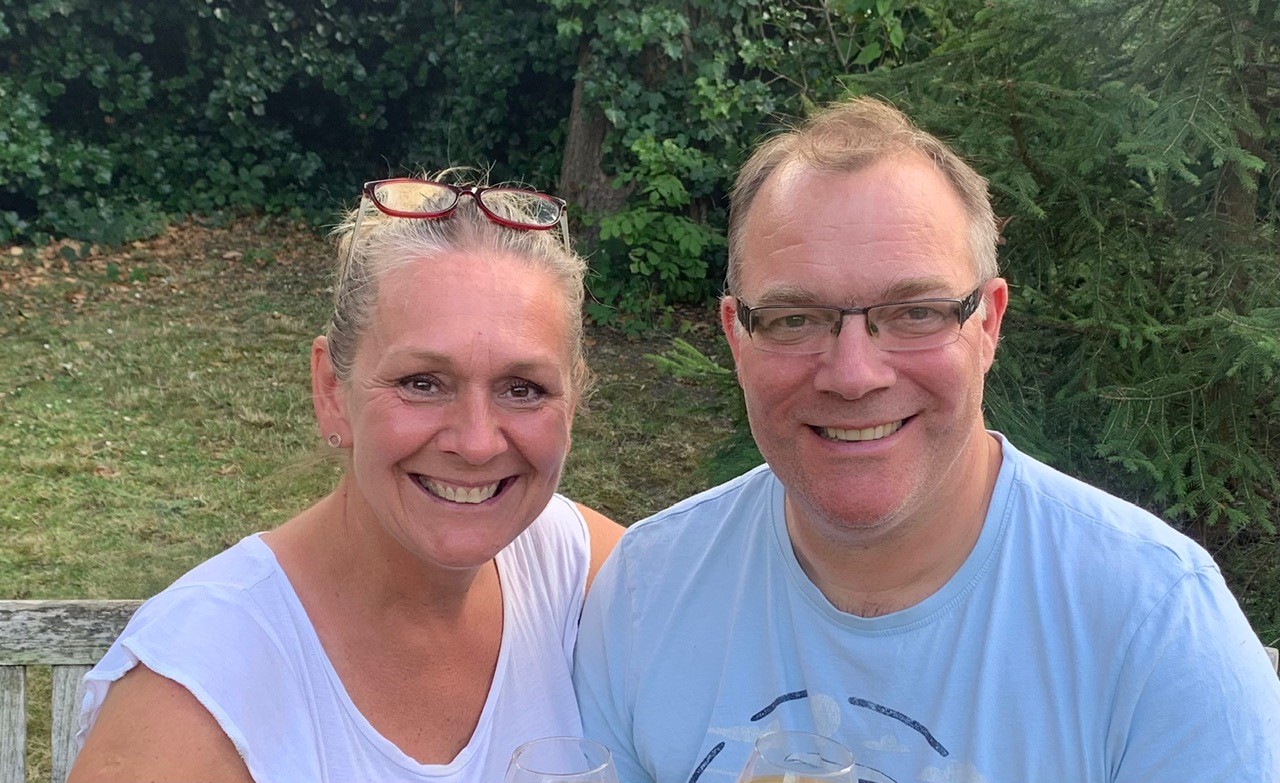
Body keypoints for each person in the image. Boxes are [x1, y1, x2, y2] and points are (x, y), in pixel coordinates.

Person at [573, 97, 1280, 782]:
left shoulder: (1157, 631)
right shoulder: (645, 595)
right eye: (794, 318)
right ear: (736, 337)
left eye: (916, 311)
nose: (854, 375)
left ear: (988, 325)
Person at [70, 172, 624, 782]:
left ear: (572, 403)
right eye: (422, 383)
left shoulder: (570, 567)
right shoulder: (194, 695)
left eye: (524, 389)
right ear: (332, 393)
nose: (475, 443)